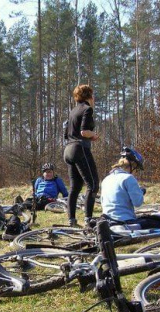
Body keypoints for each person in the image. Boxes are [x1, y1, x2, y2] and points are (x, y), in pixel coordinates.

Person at [100, 147, 160, 229]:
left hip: (109, 221)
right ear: (132, 165)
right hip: (125, 221)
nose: (136, 172)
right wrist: (141, 192)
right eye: (136, 169)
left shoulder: (106, 179)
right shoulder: (128, 178)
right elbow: (137, 203)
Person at [63, 84, 100, 227]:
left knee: (75, 187)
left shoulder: (72, 111)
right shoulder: (87, 109)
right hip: (80, 149)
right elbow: (85, 132)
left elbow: (66, 134)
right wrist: (94, 135)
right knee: (93, 184)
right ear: (89, 96)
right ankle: (88, 220)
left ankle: (71, 220)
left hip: (68, 150)